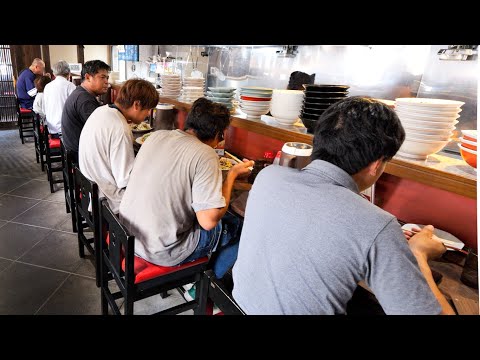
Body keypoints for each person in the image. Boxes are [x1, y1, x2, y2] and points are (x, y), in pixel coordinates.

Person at [232, 96, 455, 315]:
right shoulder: (377, 224)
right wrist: (418, 255)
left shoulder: (269, 176)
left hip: (240, 304)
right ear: (376, 165)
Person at [119, 98, 254, 279]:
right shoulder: (205, 153)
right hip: (161, 250)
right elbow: (208, 221)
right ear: (218, 134)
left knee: (219, 214)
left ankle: (203, 276)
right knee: (239, 226)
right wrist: (231, 176)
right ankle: (207, 285)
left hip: (130, 237)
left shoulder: (157, 136)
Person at [78, 79, 158, 214]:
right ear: (136, 104)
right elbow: (125, 180)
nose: (148, 114)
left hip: (90, 186)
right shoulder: (120, 128)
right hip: (106, 198)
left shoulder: (101, 110)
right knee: (157, 199)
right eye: (148, 109)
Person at [61, 60, 111, 160]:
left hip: (75, 149)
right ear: (88, 77)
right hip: (80, 155)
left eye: (107, 77)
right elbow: (103, 131)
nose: (107, 82)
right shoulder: (84, 100)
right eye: (102, 77)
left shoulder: (81, 92)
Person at [43, 60, 77, 136]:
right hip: (65, 130)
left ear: (54, 73)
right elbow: (76, 107)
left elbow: (44, 108)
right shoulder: (70, 86)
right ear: (68, 73)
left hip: (51, 127)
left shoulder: (47, 86)